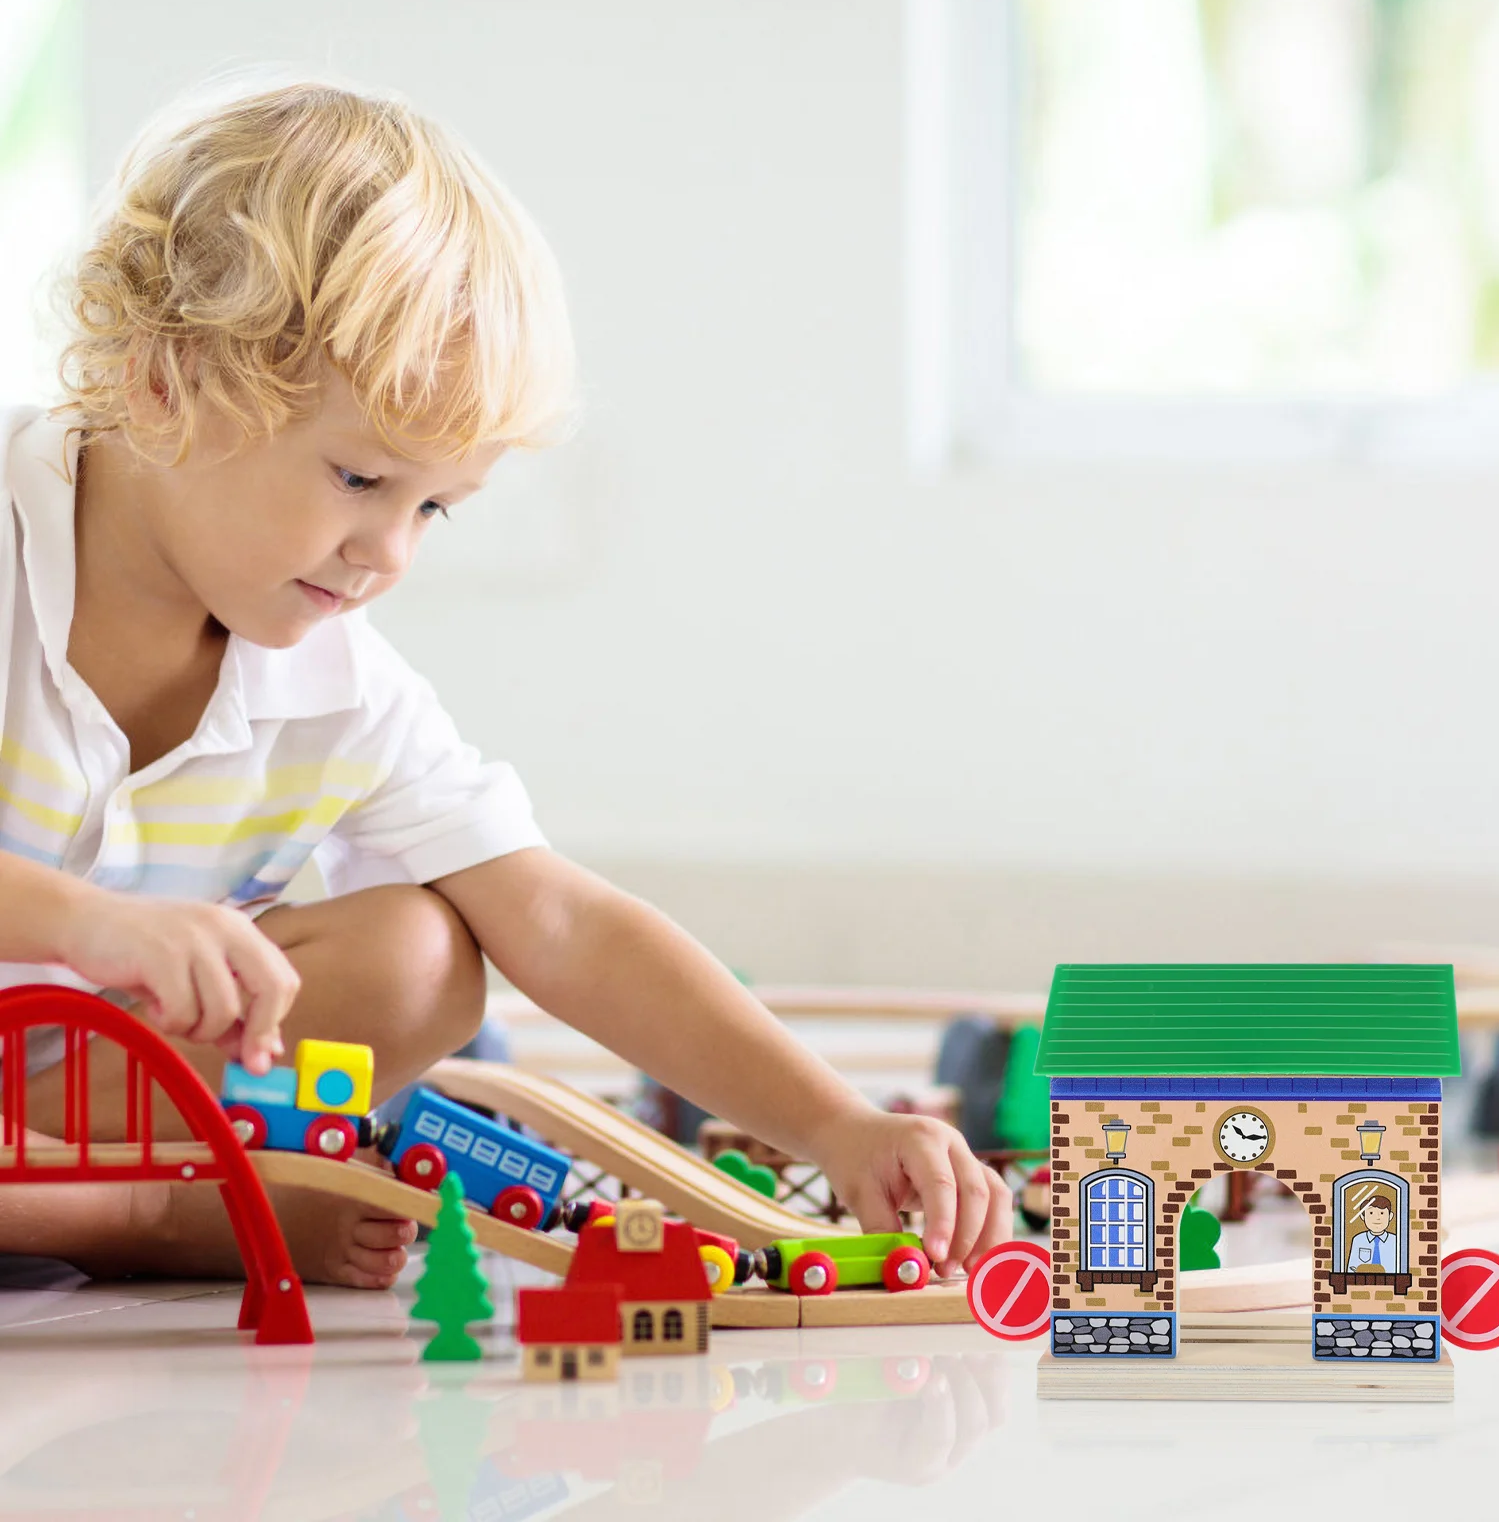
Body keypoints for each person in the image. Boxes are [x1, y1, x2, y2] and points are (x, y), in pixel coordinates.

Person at [0, 78, 1011, 1288]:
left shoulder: (336, 684)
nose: (389, 553)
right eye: (358, 479)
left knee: (422, 953)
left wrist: (838, 1124)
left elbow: (562, 919)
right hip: (59, 1101)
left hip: (67, 1097)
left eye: (433, 505)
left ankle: (115, 1206)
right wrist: (93, 925)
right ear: (169, 382)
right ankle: (148, 1221)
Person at [1347, 1194, 1398, 1273]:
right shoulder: (1358, 1240)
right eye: (1371, 1213)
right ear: (1362, 1216)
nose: (1377, 1218)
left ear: (1390, 1216)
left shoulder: (1395, 1241)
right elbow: (1351, 1268)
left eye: (1382, 1213)